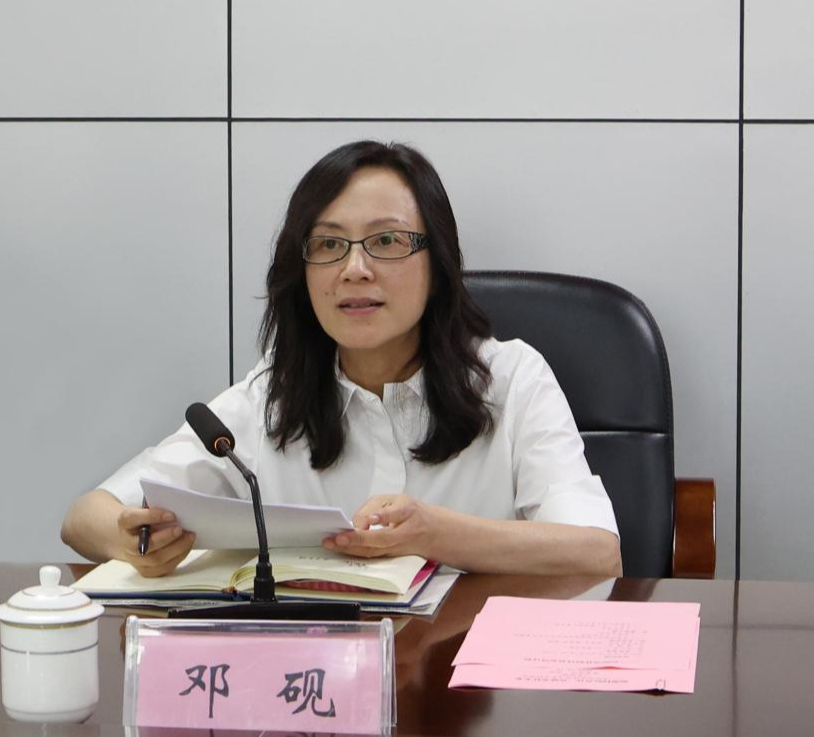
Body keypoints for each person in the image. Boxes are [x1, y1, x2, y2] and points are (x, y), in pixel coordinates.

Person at [62, 140, 622, 579]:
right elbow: (85, 517)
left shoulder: (513, 380)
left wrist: (434, 535)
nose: (355, 269)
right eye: (329, 245)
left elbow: (597, 553)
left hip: (468, 676)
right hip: (318, 677)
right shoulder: (270, 397)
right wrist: (134, 541)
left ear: (438, 265)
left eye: (387, 241)